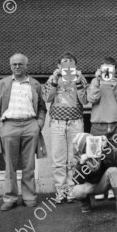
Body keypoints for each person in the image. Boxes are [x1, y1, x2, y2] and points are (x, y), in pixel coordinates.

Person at [0, 53, 47, 211]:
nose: (17, 67)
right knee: (10, 165)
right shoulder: (3, 83)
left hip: (30, 125)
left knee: (29, 165)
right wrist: (0, 128)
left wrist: (39, 124)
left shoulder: (35, 84)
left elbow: (42, 107)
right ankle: (10, 197)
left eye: (20, 64)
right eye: (14, 64)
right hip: (9, 126)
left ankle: (29, 196)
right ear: (10, 66)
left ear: (26, 66)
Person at [43, 52, 89, 204]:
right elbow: (47, 98)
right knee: (58, 158)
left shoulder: (80, 78)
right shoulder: (53, 78)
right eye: (64, 64)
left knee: (74, 158)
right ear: (59, 66)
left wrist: (78, 81)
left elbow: (85, 100)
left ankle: (72, 189)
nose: (68, 67)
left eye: (71, 64)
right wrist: (55, 79)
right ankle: (60, 191)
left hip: (75, 122)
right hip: (57, 122)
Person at [87, 56, 117, 200]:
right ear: (100, 69)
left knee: (116, 157)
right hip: (99, 124)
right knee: (97, 156)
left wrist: (115, 88)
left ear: (115, 70)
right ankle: (100, 188)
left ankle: (112, 187)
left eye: (110, 69)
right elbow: (91, 99)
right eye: (104, 69)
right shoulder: (95, 81)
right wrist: (98, 81)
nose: (107, 72)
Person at [71, 133, 117, 215]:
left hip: (102, 183)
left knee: (113, 170)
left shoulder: (101, 151)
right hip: (88, 186)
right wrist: (81, 163)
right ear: (83, 148)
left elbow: (113, 164)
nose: (91, 146)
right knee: (77, 191)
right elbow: (78, 181)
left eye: (92, 142)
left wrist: (105, 147)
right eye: (87, 145)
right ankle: (85, 203)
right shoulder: (78, 158)